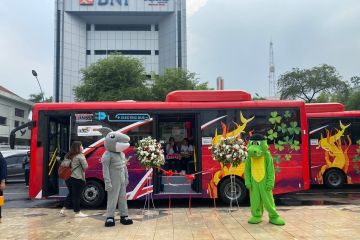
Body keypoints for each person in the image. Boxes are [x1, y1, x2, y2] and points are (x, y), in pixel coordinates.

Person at [59, 141, 88, 218]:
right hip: (77, 178)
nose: (82, 147)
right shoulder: (80, 156)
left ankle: (63, 209)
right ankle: (77, 212)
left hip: (68, 178)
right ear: (78, 147)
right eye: (81, 146)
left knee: (71, 194)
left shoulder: (68, 155)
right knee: (76, 196)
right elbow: (85, 167)